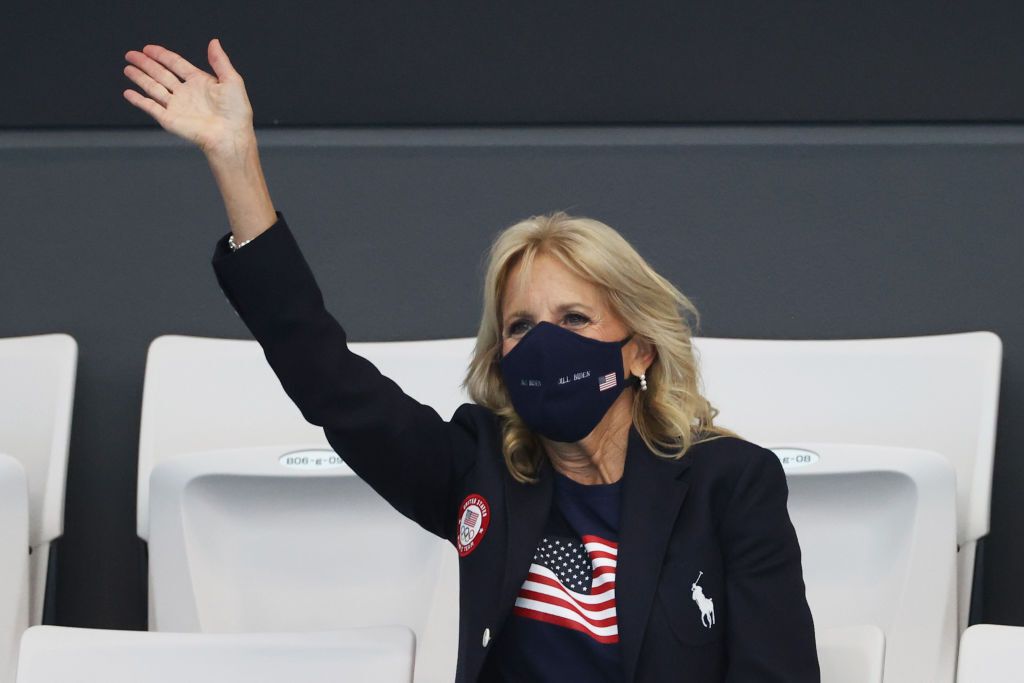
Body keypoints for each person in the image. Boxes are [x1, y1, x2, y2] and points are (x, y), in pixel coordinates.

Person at [122, 38, 821, 682]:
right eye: (521, 326)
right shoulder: (480, 467)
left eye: (573, 319)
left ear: (637, 346)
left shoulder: (731, 485)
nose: (545, 343)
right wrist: (235, 158)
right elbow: (327, 378)